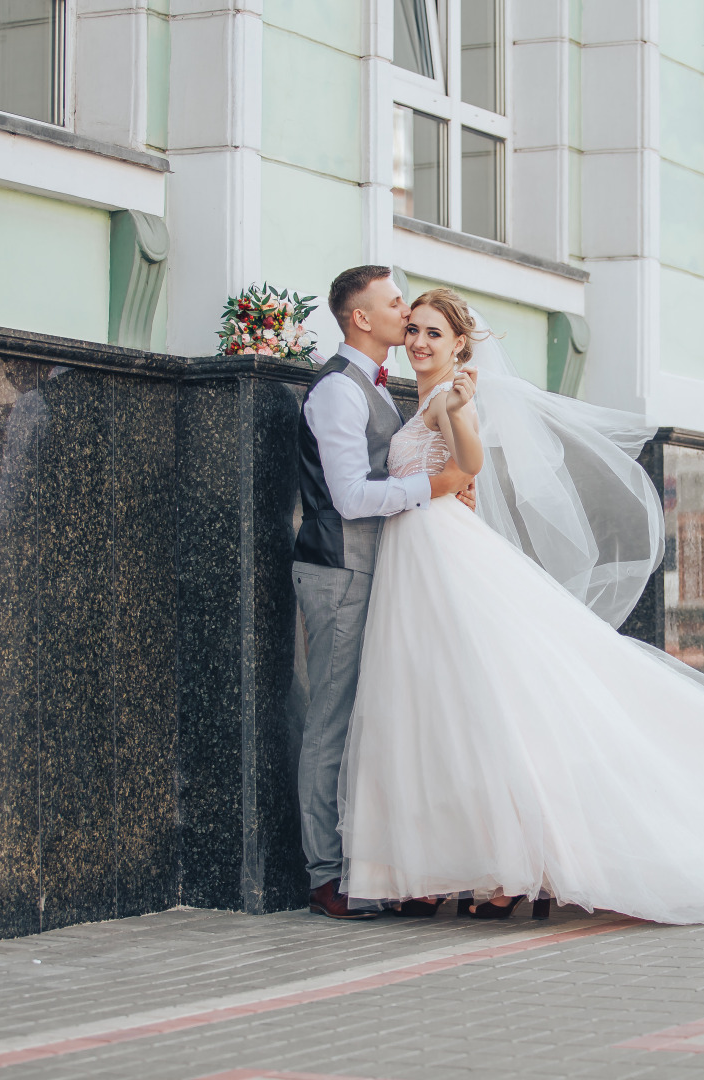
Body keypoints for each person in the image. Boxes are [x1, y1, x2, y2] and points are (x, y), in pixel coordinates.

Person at [335, 288, 704, 925]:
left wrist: (461, 415)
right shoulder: (425, 398)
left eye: (434, 333)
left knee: (479, 698)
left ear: (461, 343)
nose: (418, 343)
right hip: (420, 556)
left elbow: (470, 464)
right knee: (443, 704)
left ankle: (501, 873)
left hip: (441, 553)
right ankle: (470, 867)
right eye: (413, 331)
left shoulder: (450, 398)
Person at [293, 266, 476, 920]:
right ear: (361, 319)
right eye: (395, 302)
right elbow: (348, 497)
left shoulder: (381, 387)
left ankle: (377, 863)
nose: (406, 312)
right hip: (340, 569)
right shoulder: (339, 393)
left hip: (379, 568)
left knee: (378, 715)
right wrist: (435, 487)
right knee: (334, 719)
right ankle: (325, 875)